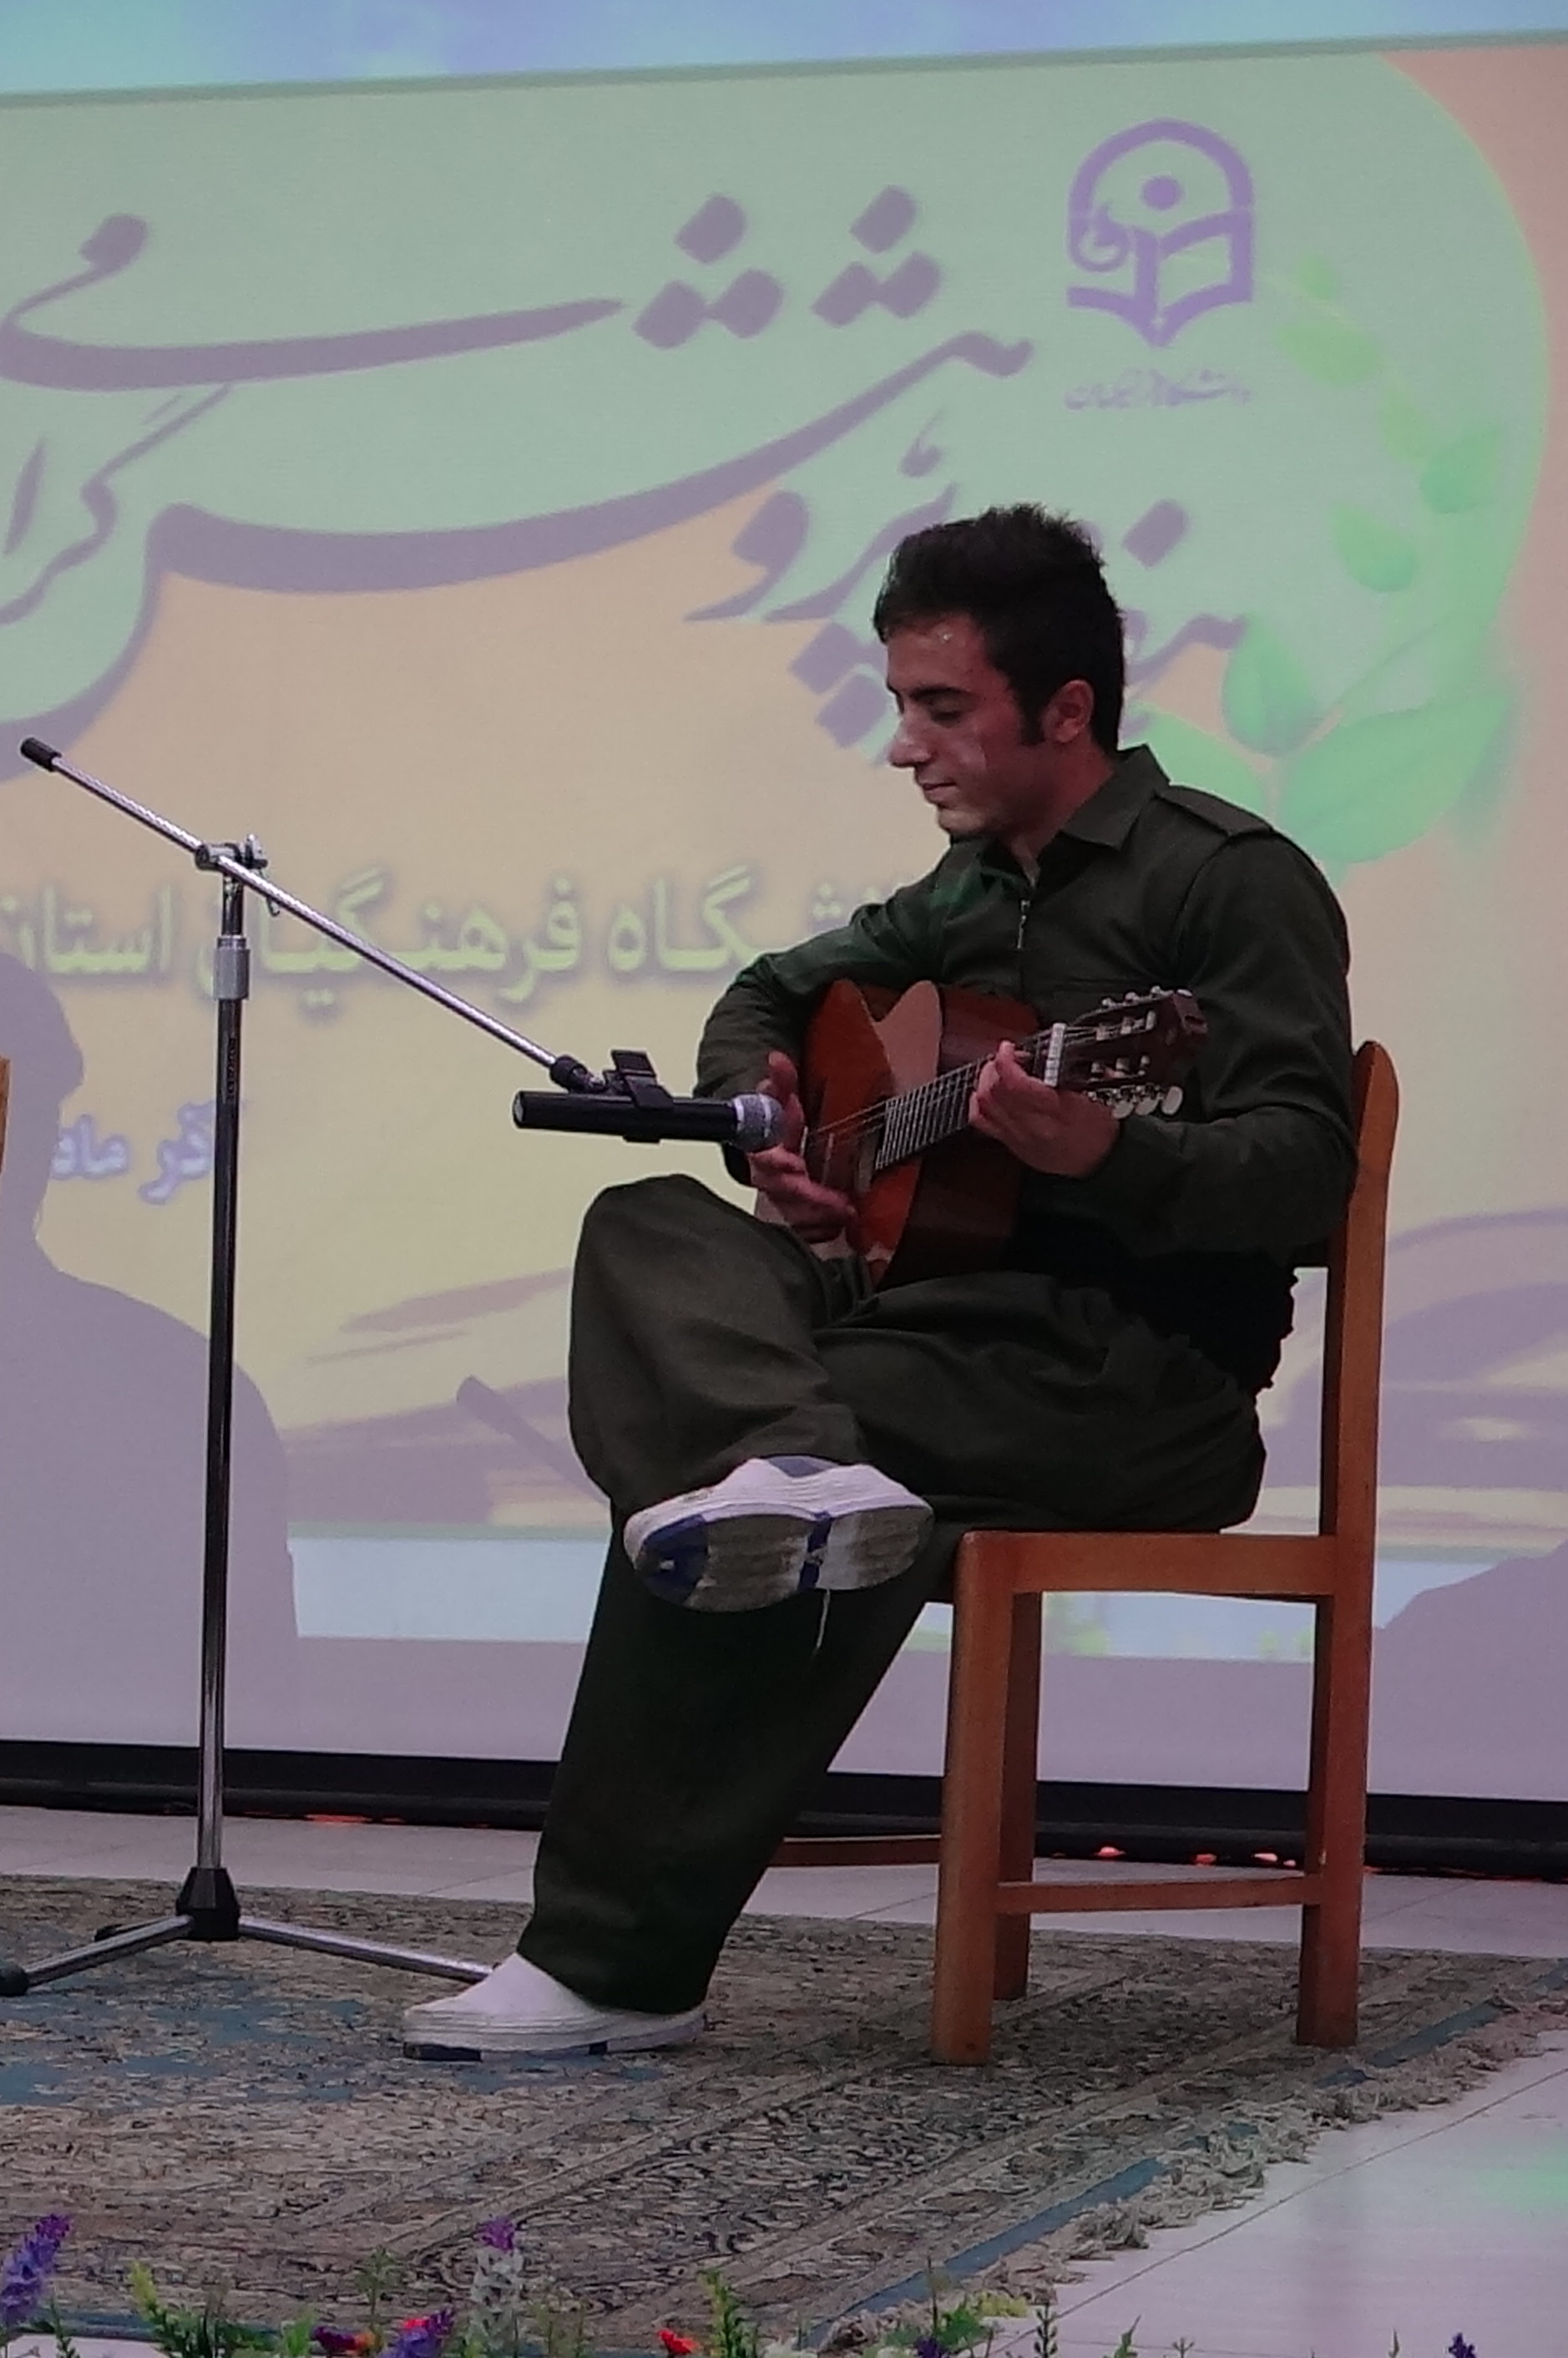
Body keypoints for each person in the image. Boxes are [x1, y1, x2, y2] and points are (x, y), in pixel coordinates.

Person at [403, 505, 1356, 2056]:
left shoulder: (1226, 881)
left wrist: (1103, 1148)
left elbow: (1306, 1171)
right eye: (901, 703)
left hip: (1127, 1375)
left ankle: (615, 1961)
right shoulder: (967, 890)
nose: (905, 745)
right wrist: (773, 1117)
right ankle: (786, 1466)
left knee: (748, 1463)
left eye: (940, 707)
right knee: (650, 1217)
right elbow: (768, 991)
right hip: (930, 1329)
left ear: (1065, 710)